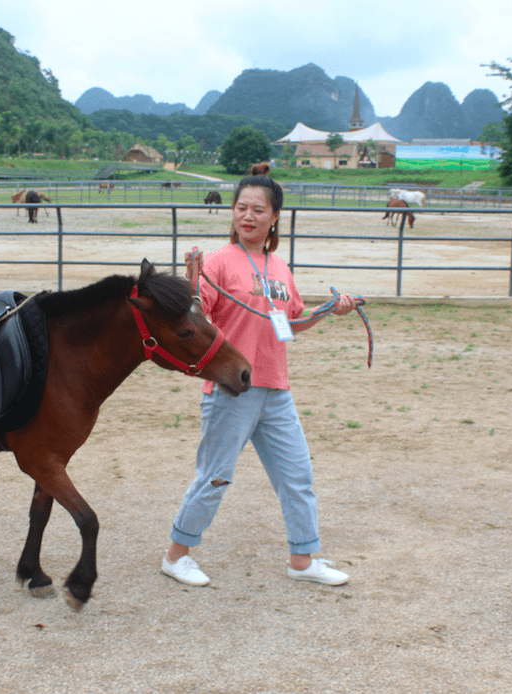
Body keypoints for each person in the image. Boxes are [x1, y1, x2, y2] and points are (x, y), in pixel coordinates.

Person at [160, 175, 359, 588]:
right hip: (233, 388)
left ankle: (302, 559)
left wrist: (329, 310)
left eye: (258, 209)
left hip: (276, 389)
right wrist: (192, 286)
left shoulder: (280, 267)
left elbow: (292, 322)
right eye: (241, 208)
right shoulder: (216, 262)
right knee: (215, 475)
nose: (247, 216)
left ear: (274, 217)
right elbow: (196, 319)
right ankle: (176, 555)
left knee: (297, 475)